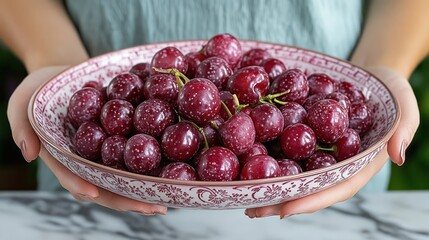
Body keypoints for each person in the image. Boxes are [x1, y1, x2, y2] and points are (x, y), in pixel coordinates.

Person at [0, 0, 427, 218]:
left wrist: (380, 65)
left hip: (337, 204)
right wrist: (56, 61)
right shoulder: (152, 103)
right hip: (92, 206)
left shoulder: (299, 112)